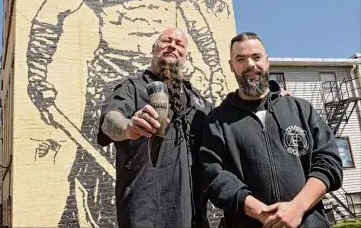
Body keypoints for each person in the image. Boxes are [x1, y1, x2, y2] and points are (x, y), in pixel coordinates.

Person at [199, 31, 343, 228]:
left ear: (267, 61)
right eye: (241, 59)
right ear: (231, 66)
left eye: (256, 57)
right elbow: (212, 174)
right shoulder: (217, 120)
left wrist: (297, 208)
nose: (250, 64)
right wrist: (260, 213)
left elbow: (329, 162)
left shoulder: (301, 109)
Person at [97, 27, 214, 228]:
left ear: (185, 55)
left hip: (194, 216)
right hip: (145, 214)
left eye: (180, 45)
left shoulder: (199, 101)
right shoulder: (132, 88)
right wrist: (128, 127)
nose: (172, 47)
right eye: (166, 41)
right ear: (154, 48)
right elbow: (110, 120)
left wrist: (272, 98)